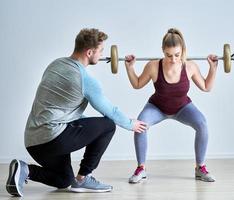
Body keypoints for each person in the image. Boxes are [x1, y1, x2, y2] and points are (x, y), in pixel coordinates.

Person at [6, 28, 147, 197]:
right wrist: (131, 124)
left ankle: (24, 169)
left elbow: (63, 111)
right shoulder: (85, 80)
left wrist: (86, 128)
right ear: (89, 52)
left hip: (33, 142)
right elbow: (110, 111)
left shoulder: (55, 64)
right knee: (108, 125)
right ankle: (83, 177)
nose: (102, 55)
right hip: (52, 139)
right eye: (101, 50)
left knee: (64, 181)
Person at [124, 28, 218, 183]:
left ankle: (200, 168)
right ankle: (141, 168)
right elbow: (137, 84)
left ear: (183, 51)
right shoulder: (153, 66)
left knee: (202, 124)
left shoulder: (190, 67)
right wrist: (130, 68)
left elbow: (206, 87)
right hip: (157, 108)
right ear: (163, 51)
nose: (173, 59)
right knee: (140, 124)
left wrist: (213, 68)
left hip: (182, 108)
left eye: (177, 55)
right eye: (168, 55)